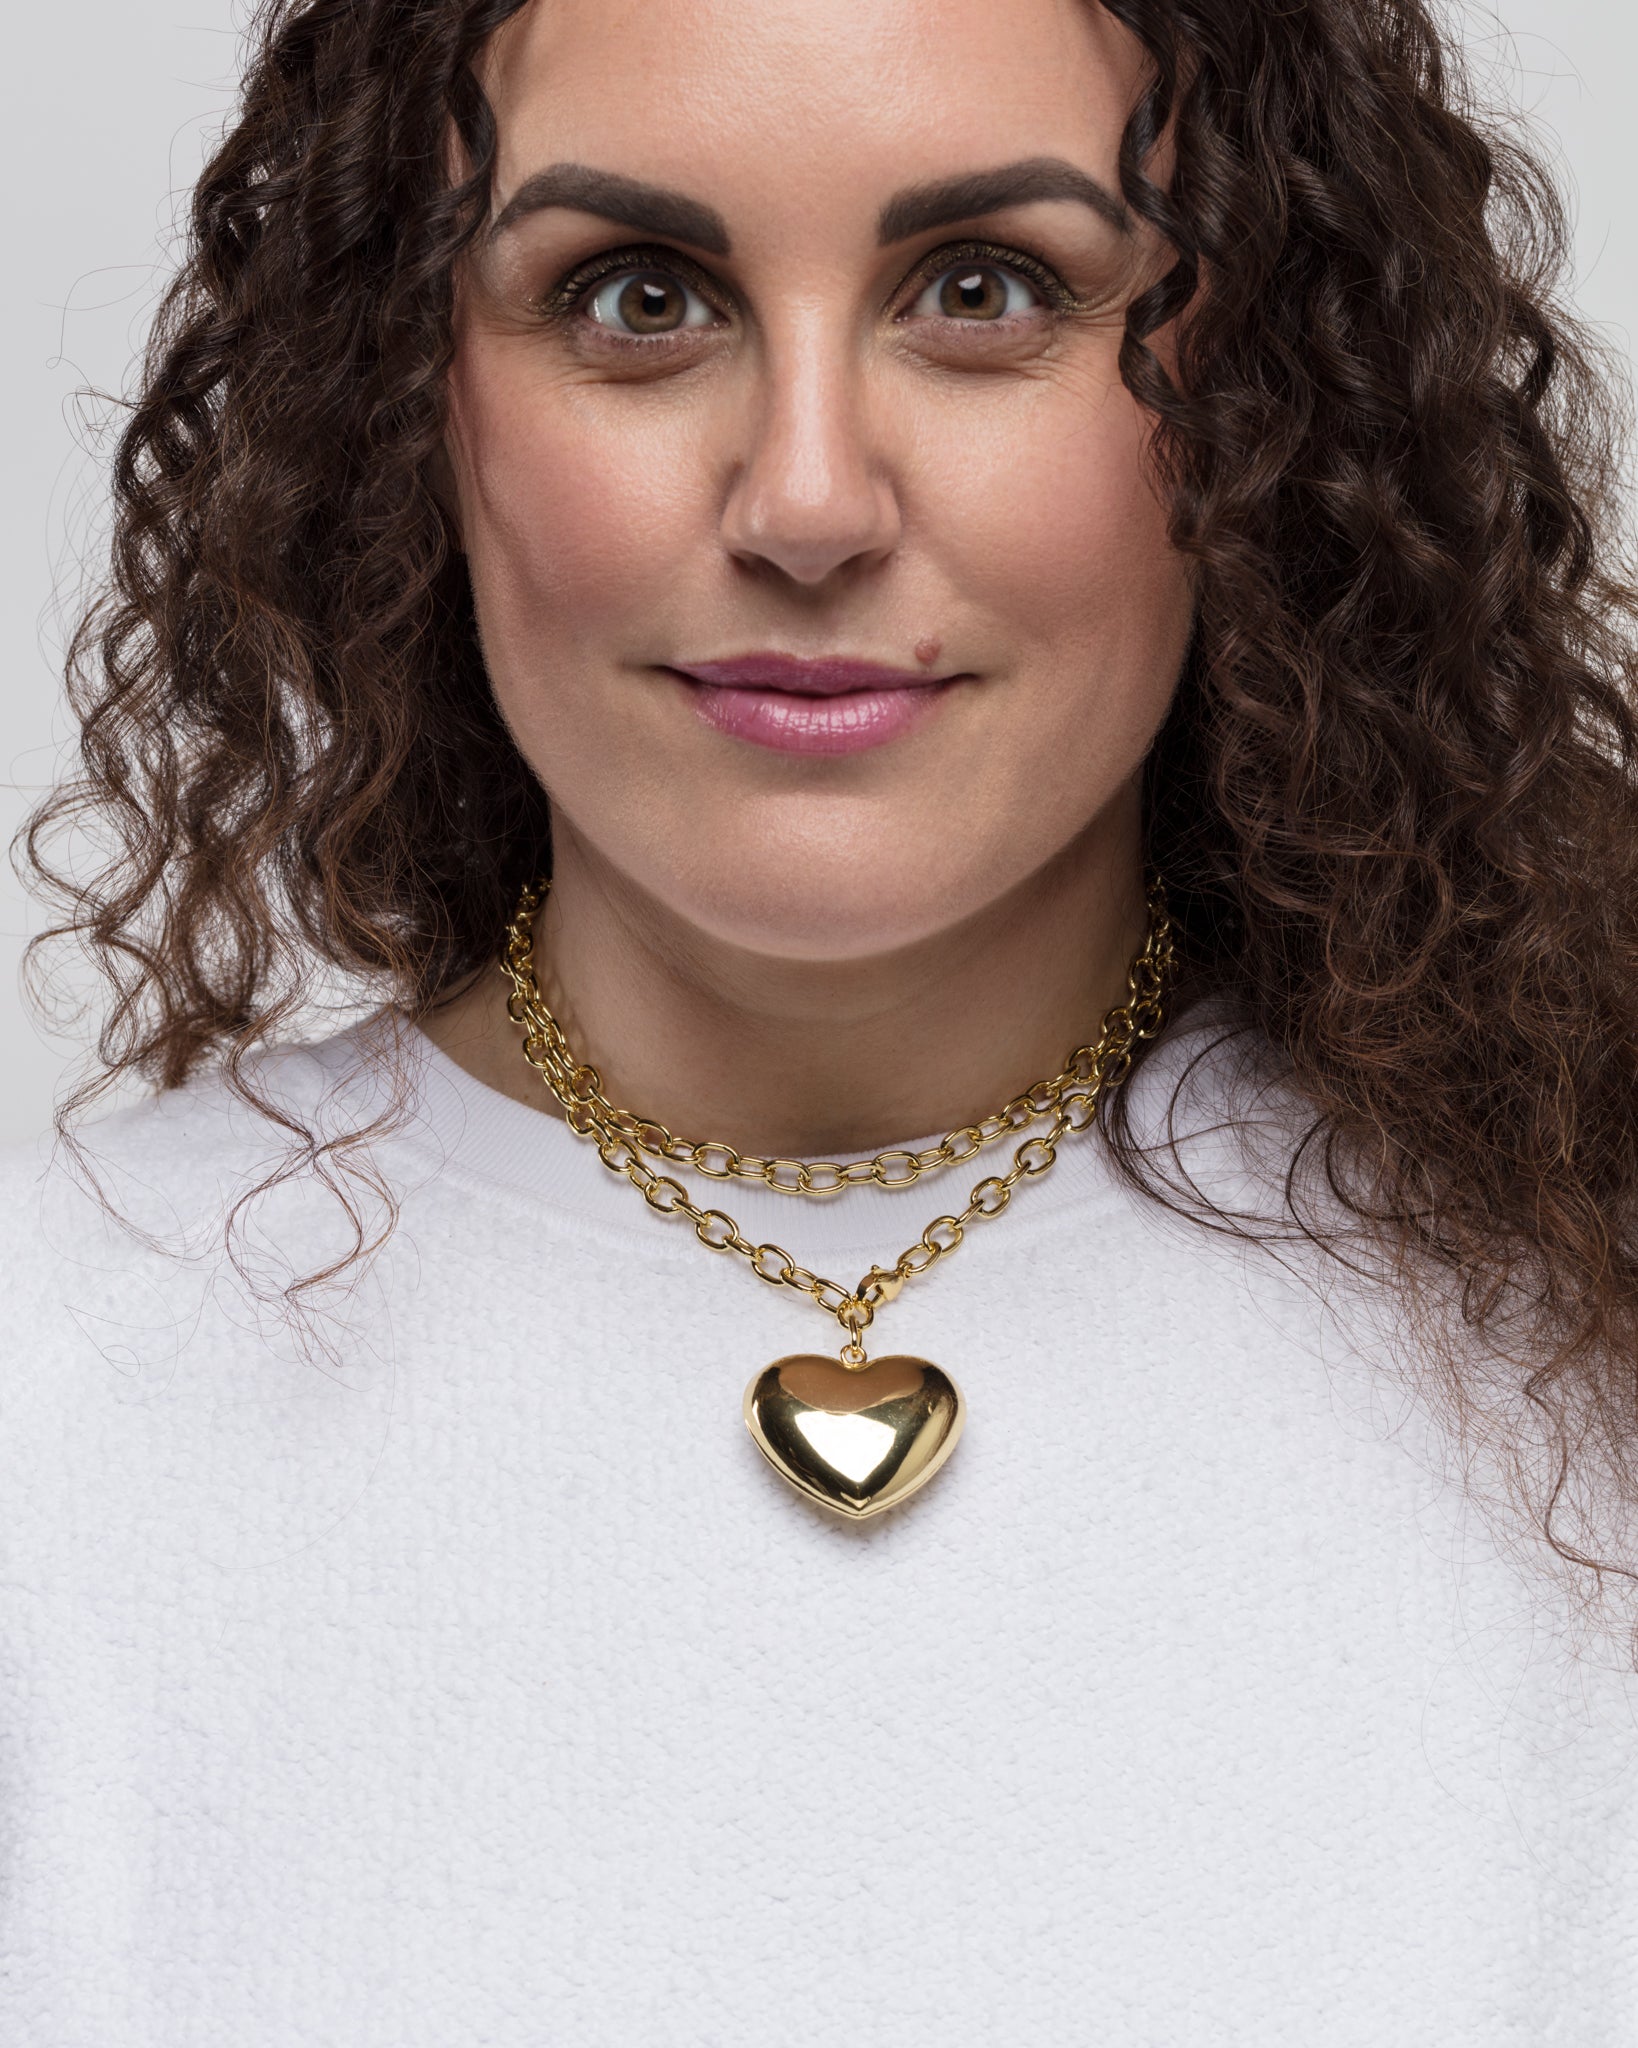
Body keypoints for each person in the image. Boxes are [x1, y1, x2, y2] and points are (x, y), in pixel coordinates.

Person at [5, 0, 1638, 2038]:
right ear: (408, 399)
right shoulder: (49, 1384)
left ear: (1266, 393)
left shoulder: (1581, 1350)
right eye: (634, 296)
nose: (804, 499)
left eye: (982, 289)